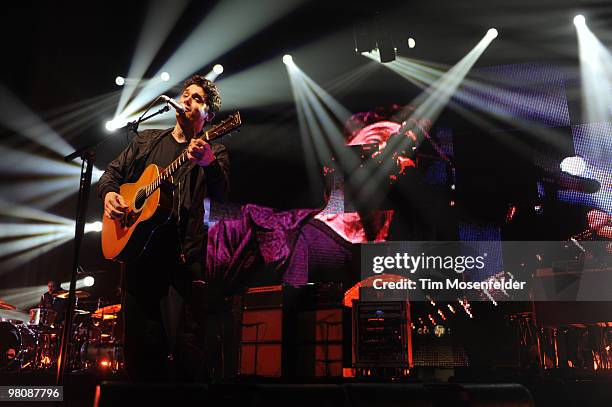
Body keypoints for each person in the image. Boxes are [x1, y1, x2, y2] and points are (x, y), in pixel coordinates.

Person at [97, 75, 230, 381]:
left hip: (182, 262)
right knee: (140, 352)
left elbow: (222, 194)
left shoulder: (215, 150)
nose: (187, 100)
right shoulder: (147, 141)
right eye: (185, 95)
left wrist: (209, 163)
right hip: (139, 261)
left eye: (197, 98)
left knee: (186, 350)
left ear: (208, 116)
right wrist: (109, 195)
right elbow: (110, 176)